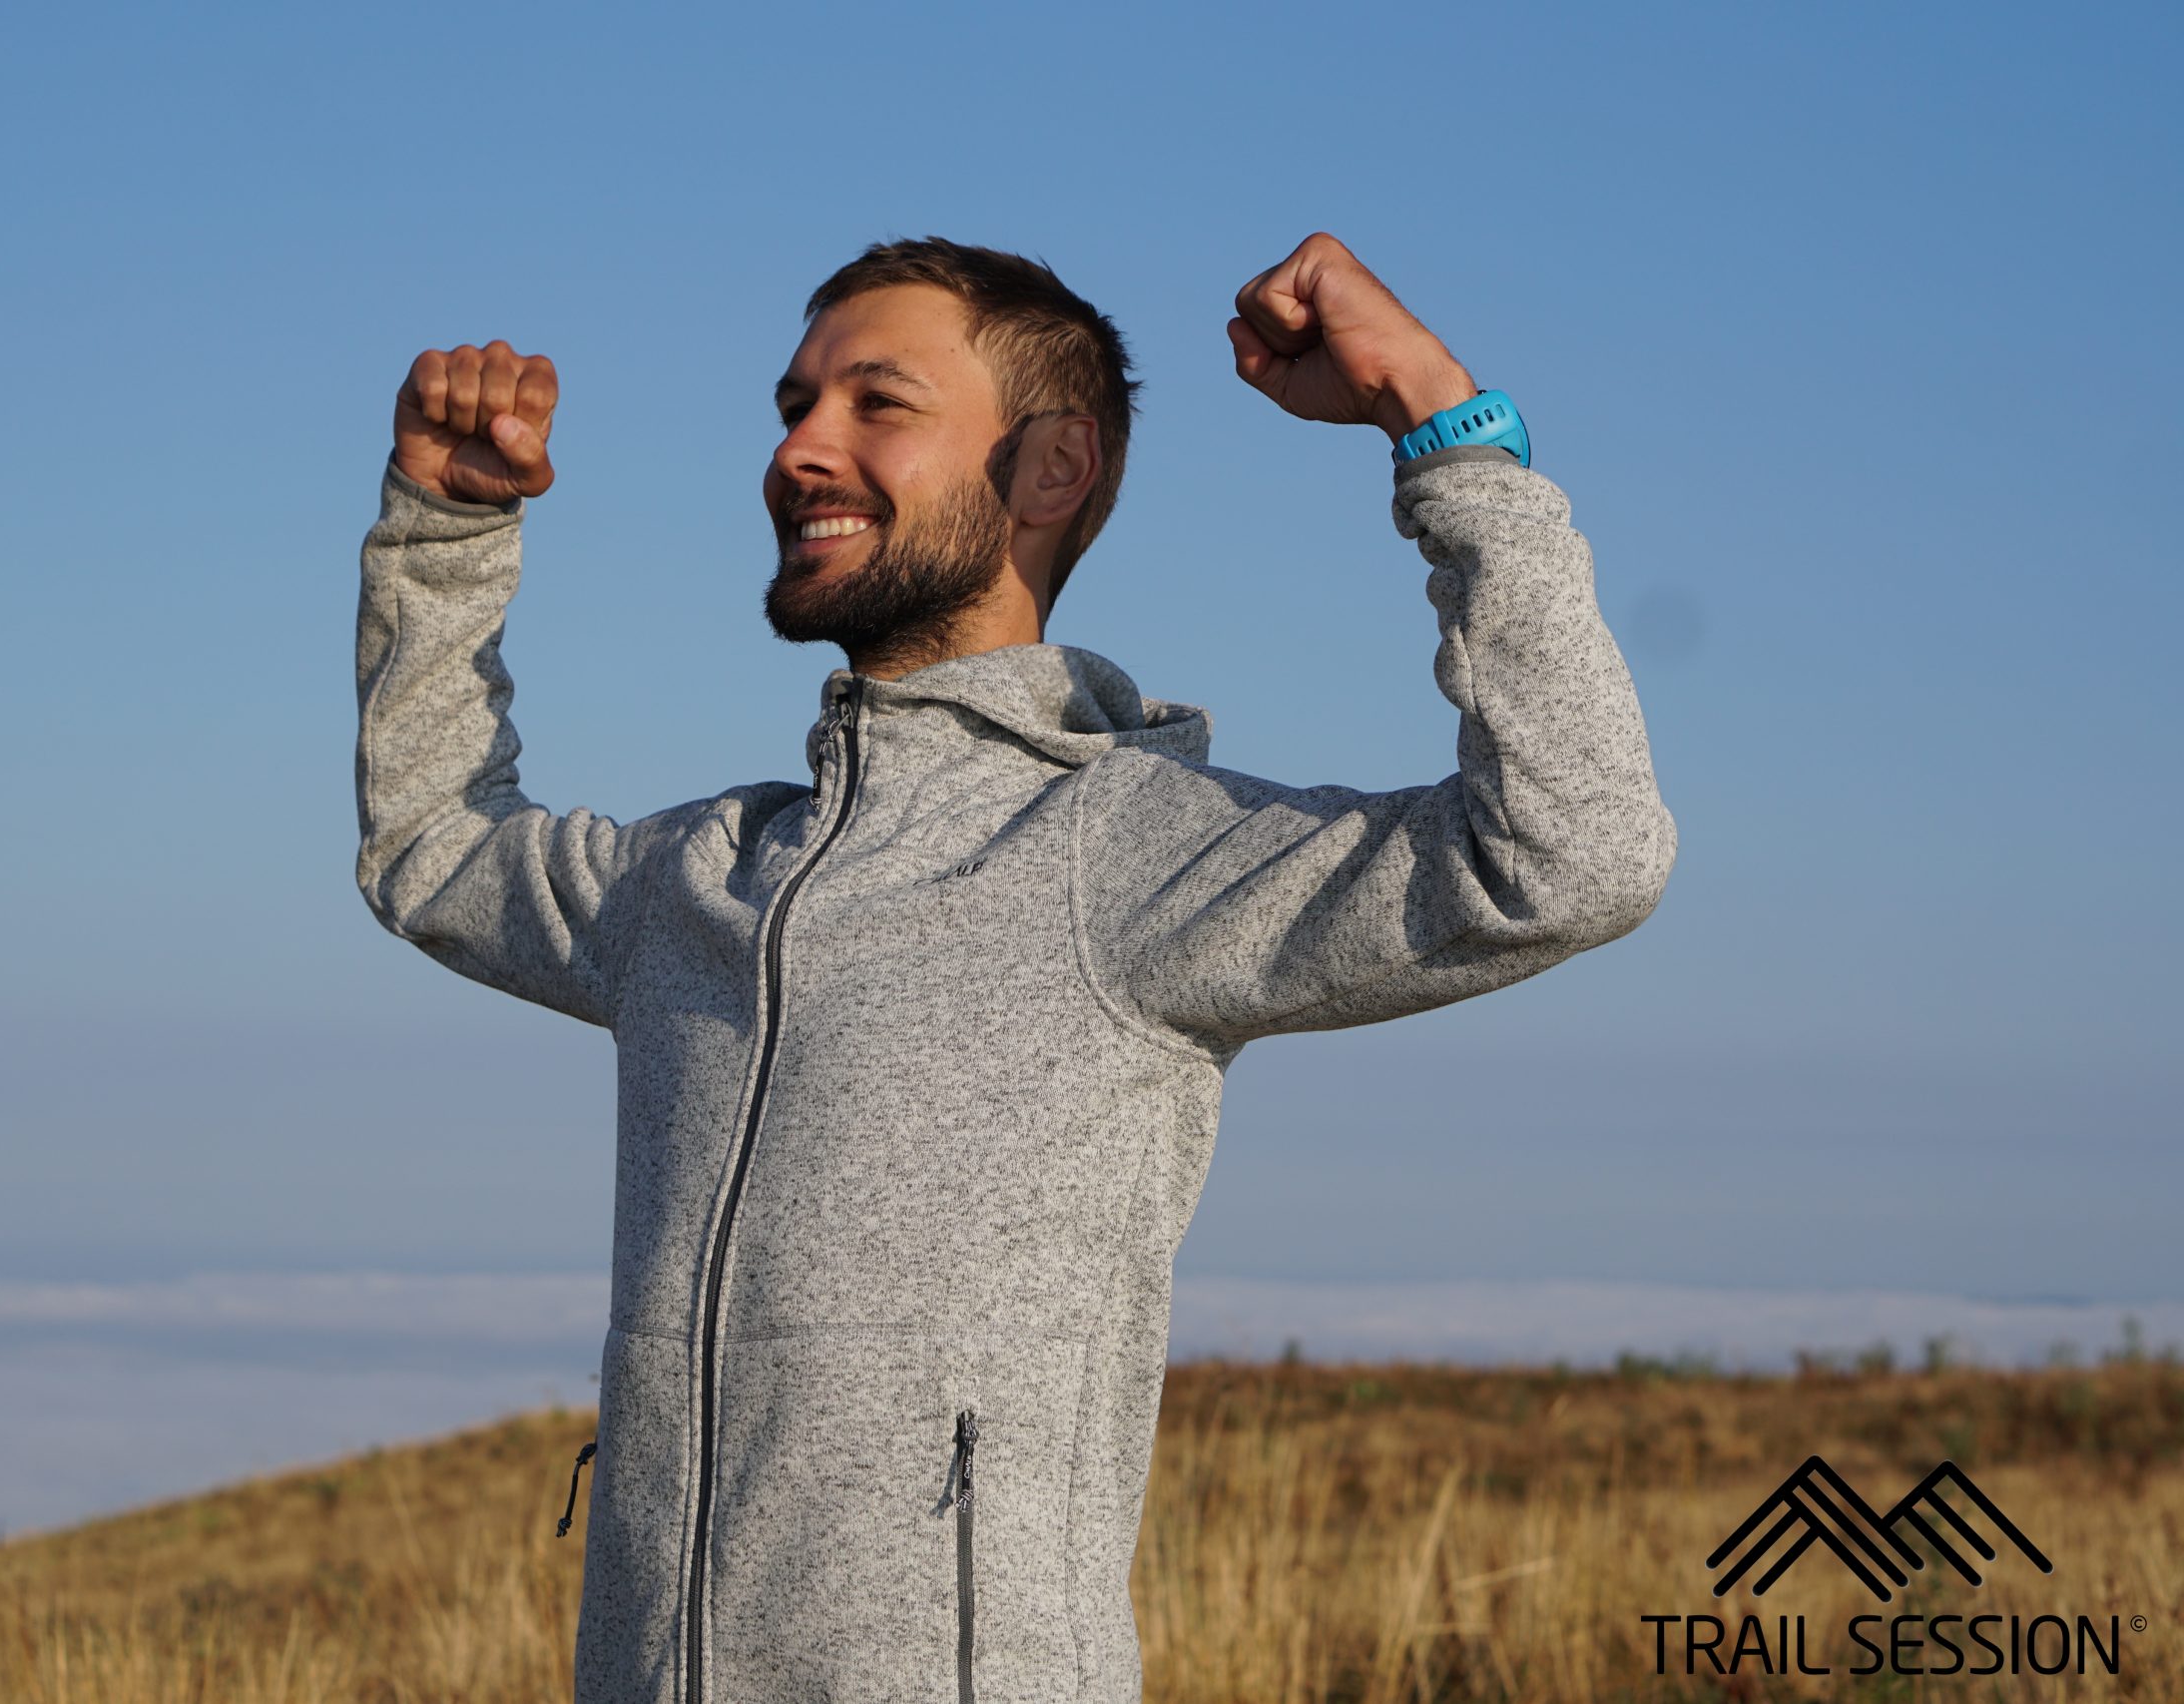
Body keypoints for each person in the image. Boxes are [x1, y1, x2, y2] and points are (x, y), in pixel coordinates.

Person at [354, 232, 1675, 1704]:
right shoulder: (700, 879)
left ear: (1048, 473)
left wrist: (1442, 422)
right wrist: (446, 537)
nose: (801, 450)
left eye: (878, 405)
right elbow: (435, 849)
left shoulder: (1123, 851)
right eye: (795, 406)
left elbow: (1576, 852)